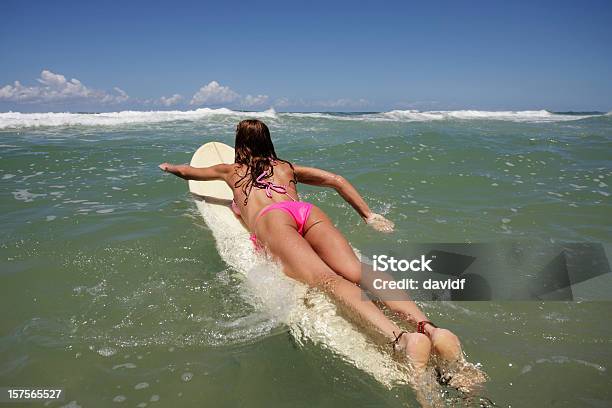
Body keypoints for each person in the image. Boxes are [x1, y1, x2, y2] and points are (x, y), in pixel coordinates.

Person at [159, 119, 462, 370]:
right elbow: (336, 179)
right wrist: (368, 215)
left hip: (273, 221)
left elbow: (190, 172)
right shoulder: (286, 167)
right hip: (305, 213)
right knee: (356, 270)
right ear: (268, 141)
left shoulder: (230, 171)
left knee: (327, 280)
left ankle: (400, 339)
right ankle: (428, 327)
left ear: (241, 145)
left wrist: (170, 167)